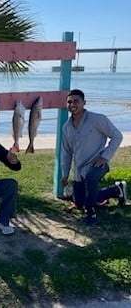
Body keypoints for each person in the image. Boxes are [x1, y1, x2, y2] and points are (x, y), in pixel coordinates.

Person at [60, 89, 127, 225]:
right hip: (79, 170)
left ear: (84, 102)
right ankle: (116, 190)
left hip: (98, 165)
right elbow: (66, 152)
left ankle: (91, 213)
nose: (72, 104)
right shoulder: (67, 127)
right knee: (79, 203)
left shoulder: (98, 119)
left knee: (91, 179)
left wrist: (105, 157)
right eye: (69, 102)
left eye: (76, 101)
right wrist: (65, 174)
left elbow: (117, 136)